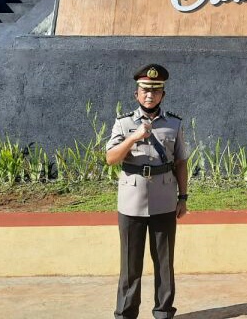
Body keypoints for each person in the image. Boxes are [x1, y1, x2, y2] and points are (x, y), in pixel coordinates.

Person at [106, 63, 190, 319]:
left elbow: (181, 162)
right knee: (130, 265)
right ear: (136, 94)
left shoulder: (174, 124)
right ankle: (126, 314)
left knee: (164, 263)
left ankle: (163, 312)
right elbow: (111, 158)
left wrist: (183, 198)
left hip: (164, 200)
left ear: (162, 94)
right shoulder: (123, 123)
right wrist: (133, 138)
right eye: (145, 90)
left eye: (155, 90)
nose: (150, 95)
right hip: (131, 202)